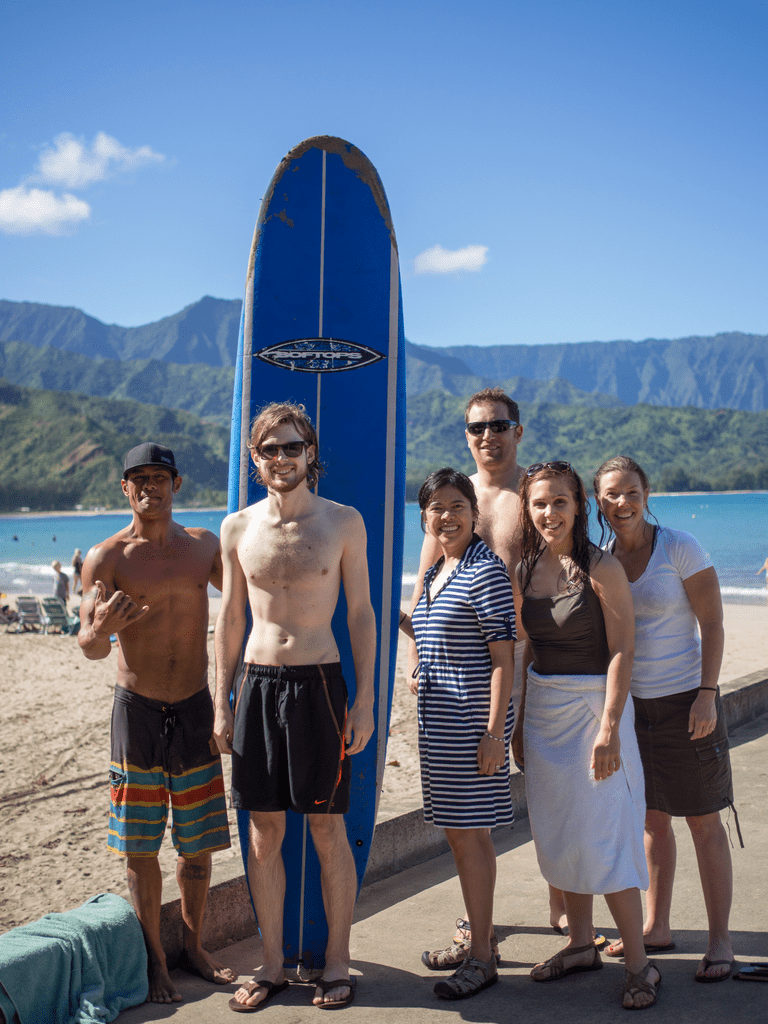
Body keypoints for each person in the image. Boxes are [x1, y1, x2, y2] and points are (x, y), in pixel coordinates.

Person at [409, 388, 596, 967]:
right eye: (476, 427)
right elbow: (424, 585)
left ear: (519, 431)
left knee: (552, 789)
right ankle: (480, 927)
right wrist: (417, 657)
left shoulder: (530, 496)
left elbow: (576, 566)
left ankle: (566, 909)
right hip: (472, 675)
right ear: (465, 434)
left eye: (498, 425)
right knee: (474, 807)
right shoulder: (452, 497)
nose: (486, 435)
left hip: (535, 667)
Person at [213, 402, 376, 1012]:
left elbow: (361, 613)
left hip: (320, 687)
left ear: (311, 453)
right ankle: (274, 964)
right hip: (256, 683)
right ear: (255, 460)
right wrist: (221, 702)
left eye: (292, 446)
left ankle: (337, 961)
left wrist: (363, 699)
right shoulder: (237, 528)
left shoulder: (343, 522)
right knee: (263, 831)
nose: (281, 457)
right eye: (269, 449)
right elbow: (229, 619)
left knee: (328, 828)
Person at [78, 442, 234, 1004]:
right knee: (139, 847)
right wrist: (102, 630)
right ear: (125, 488)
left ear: (177, 483)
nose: (150, 487)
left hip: (193, 705)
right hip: (137, 711)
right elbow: (88, 646)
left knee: (198, 844)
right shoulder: (107, 558)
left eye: (160, 477)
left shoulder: (203, 548)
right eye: (138, 478)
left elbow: (246, 601)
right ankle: (155, 960)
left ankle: (195, 946)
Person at [512, 461, 661, 1010]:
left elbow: (625, 648)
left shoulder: (601, 568)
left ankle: (642, 966)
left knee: (607, 834)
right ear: (528, 510)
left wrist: (610, 728)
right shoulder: (525, 571)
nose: (549, 513)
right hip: (544, 709)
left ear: (579, 506)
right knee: (559, 832)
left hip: (595, 709)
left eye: (560, 502)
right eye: (539, 504)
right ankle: (579, 944)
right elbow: (527, 649)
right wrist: (521, 722)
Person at [594, 455, 740, 982]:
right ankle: (657, 925)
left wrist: (708, 693)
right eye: (610, 494)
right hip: (634, 710)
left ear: (646, 491)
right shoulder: (604, 556)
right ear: (598, 501)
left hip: (686, 703)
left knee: (703, 821)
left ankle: (720, 940)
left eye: (630, 491)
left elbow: (715, 623)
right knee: (652, 821)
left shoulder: (679, 547)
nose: (621, 503)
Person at [399, 468, 515, 1000]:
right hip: (439, 728)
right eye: (436, 508)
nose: (446, 516)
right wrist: (401, 624)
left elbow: (502, 657)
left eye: (456, 506)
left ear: (474, 512)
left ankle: (483, 956)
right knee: (460, 835)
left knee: (472, 838)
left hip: (472, 726)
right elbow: (437, 631)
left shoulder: (484, 570)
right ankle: (480, 937)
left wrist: (495, 733)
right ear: (424, 517)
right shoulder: (438, 571)